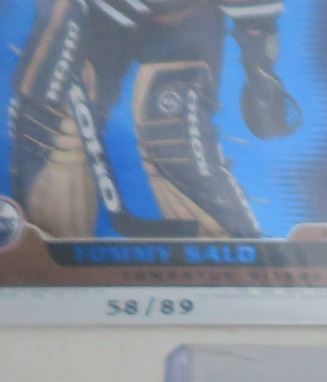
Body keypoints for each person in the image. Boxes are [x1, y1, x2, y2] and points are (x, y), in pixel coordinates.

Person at [9, 0, 298, 240]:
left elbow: (256, 18)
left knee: (173, 140)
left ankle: (230, 253)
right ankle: (47, 250)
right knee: (50, 125)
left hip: (184, 16)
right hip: (101, 10)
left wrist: (261, 71)